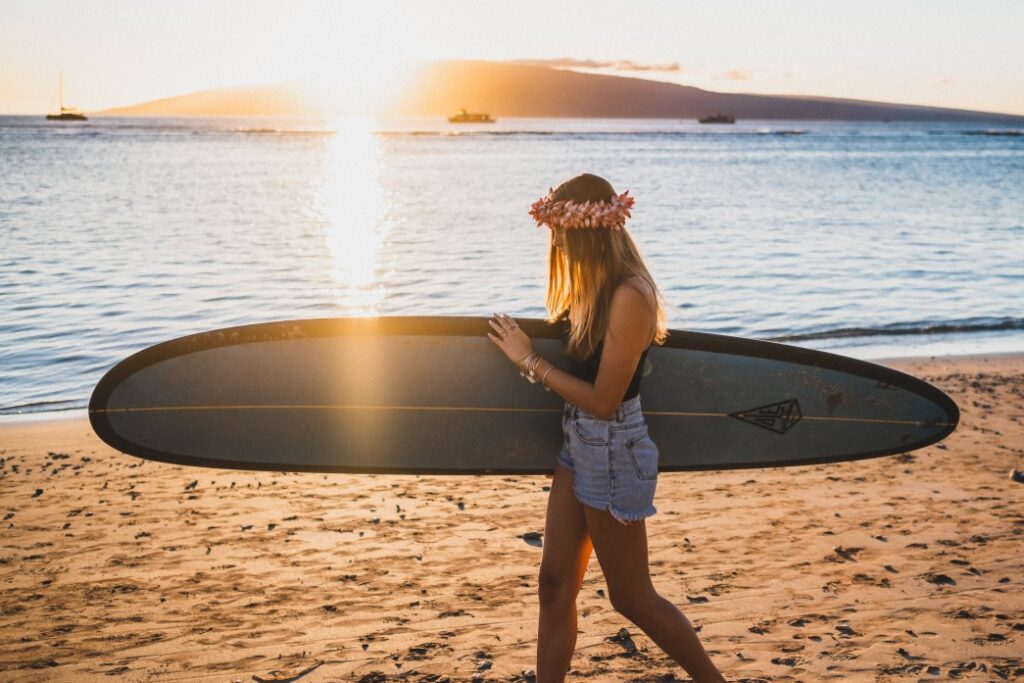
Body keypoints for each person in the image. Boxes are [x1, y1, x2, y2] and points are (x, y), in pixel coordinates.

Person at [487, 173, 726, 683]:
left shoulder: (629, 295)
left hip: (613, 444)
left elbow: (603, 400)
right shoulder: (594, 289)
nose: (558, 246)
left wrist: (528, 361)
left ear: (588, 233)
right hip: (580, 442)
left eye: (563, 236)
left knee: (631, 598)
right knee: (554, 583)